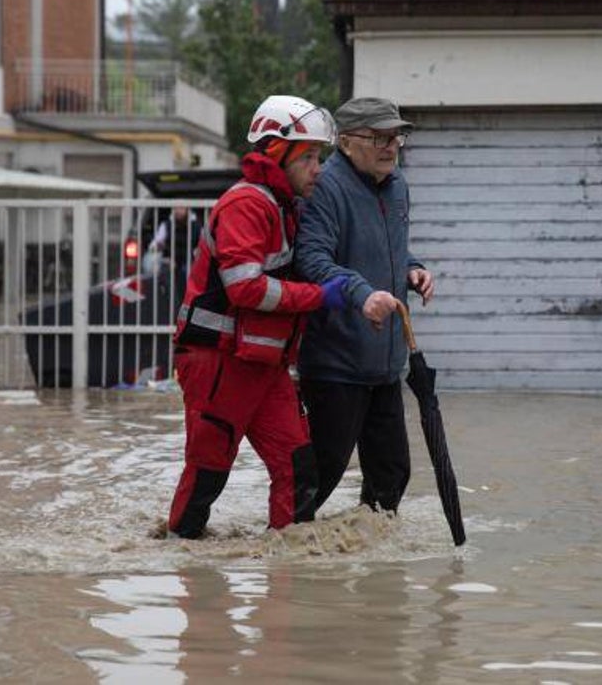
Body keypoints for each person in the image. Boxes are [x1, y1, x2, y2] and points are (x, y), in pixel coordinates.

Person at [167, 95, 349, 538]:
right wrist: (318, 297)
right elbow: (244, 288)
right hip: (219, 361)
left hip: (262, 365)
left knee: (299, 469)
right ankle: (186, 575)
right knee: (208, 474)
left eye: (318, 158)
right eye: (308, 157)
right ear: (276, 154)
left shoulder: (282, 206)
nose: (318, 169)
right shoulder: (247, 204)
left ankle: (286, 578)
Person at [294, 97, 435, 514]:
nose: (390, 146)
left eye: (396, 137)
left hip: (386, 363)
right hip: (336, 363)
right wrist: (361, 293)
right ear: (346, 142)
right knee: (321, 475)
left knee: (392, 475)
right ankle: (283, 561)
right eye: (378, 137)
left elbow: (389, 252)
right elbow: (312, 261)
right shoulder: (326, 187)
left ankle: (373, 567)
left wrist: (413, 269)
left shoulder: (398, 186)